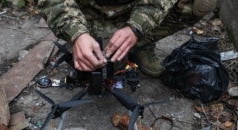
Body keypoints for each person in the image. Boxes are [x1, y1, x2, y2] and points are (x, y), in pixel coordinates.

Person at [37, 0, 218, 77]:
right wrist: (76, 33)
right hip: (88, 11)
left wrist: (137, 27)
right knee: (101, 65)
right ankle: (89, 40)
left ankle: (140, 44)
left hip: (135, 8)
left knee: (203, 3)